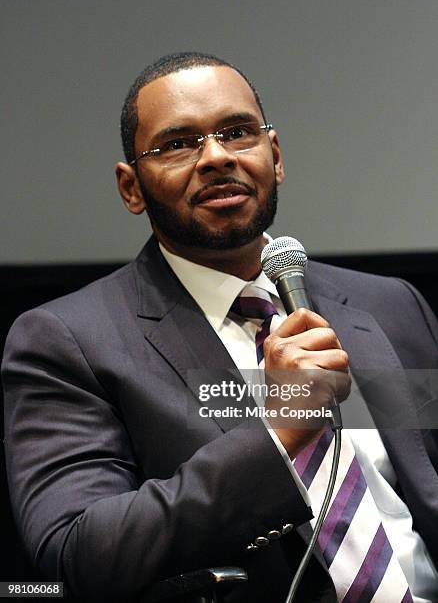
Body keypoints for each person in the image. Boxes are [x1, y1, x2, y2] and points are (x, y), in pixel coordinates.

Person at [2, 52, 438, 602]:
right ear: (131, 187)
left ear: (274, 156)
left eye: (237, 132)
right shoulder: (66, 342)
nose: (215, 157)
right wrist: (278, 437)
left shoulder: (390, 306)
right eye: (178, 143)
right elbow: (76, 555)